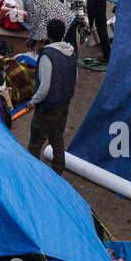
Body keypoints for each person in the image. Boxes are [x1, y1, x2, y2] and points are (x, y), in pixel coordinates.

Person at [27, 18, 76, 175]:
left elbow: (44, 87)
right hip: (64, 105)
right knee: (57, 138)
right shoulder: (71, 51)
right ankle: (58, 172)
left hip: (47, 109)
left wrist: (32, 102)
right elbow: (76, 79)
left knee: (36, 143)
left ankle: (32, 176)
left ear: (48, 34)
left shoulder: (48, 55)